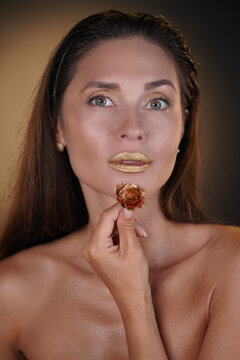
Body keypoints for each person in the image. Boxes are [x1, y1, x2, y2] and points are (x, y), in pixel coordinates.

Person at [0, 9, 239, 360]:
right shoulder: (10, 293)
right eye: (102, 100)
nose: (133, 128)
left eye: (156, 103)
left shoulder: (231, 266)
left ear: (183, 128)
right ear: (57, 126)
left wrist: (135, 300)